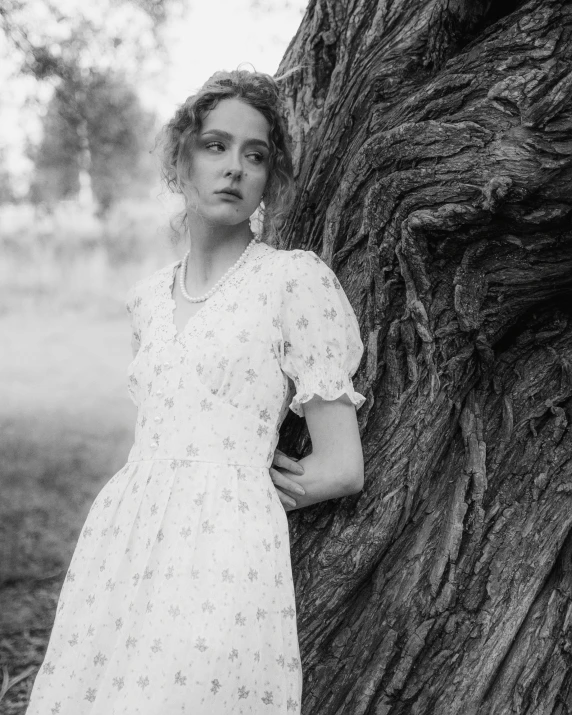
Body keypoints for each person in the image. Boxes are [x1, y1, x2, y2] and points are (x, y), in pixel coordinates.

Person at [25, 67, 366, 715]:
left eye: (255, 154)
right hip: (124, 541)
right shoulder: (146, 299)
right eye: (215, 145)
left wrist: (236, 483)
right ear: (180, 161)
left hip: (222, 553)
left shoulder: (291, 281)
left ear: (269, 180)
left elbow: (342, 465)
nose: (235, 167)